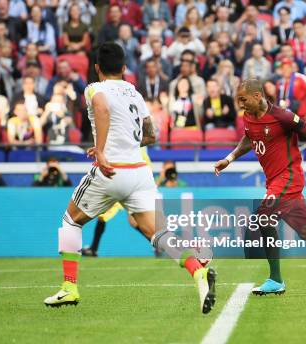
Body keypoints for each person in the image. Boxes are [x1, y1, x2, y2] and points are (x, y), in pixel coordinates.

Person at [43, 42, 216, 315]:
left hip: (112, 170)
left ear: (97, 68)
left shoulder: (94, 88)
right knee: (158, 233)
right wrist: (125, 141)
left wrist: (100, 149)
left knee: (70, 221)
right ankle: (197, 271)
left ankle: (69, 287)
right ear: (124, 68)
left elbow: (101, 108)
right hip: (139, 171)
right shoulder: (134, 92)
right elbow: (151, 134)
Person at [214, 78, 306, 295]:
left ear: (257, 96)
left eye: (243, 99)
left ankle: (276, 279)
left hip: (289, 178)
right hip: (274, 181)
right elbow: (249, 137)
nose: (240, 104)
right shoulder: (249, 116)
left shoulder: (282, 116)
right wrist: (229, 159)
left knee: (263, 215)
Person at [275, 57, 306, 122]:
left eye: (288, 67)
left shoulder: (300, 78)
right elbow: (278, 100)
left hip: (302, 116)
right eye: (283, 68)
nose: (285, 70)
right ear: (281, 70)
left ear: (292, 68)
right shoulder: (279, 83)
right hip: (287, 117)